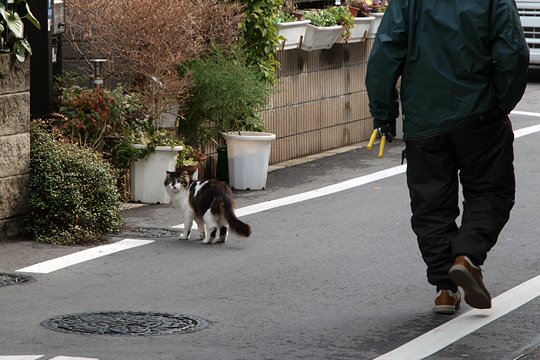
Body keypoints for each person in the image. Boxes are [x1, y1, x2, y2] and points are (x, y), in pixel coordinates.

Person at [365, 0, 529, 314]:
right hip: (479, 115)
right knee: (491, 191)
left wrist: (383, 114)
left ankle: (445, 289)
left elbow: (385, 52)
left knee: (431, 207)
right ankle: (466, 257)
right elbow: (514, 52)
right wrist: (500, 103)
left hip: (424, 119)